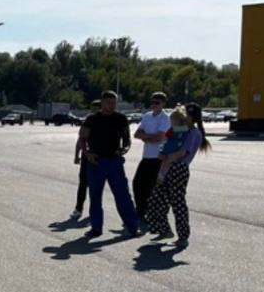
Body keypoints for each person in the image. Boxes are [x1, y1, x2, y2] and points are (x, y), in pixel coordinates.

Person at [76, 90, 142, 238]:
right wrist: (87, 154)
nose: (111, 106)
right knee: (95, 196)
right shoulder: (92, 119)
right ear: (102, 103)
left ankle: (133, 226)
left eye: (114, 103)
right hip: (96, 162)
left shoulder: (120, 119)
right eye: (109, 103)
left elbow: (126, 140)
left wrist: (123, 150)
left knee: (123, 195)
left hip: (114, 161)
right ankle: (96, 228)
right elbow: (82, 139)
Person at [144, 102, 210, 247]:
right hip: (166, 167)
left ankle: (183, 236)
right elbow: (168, 140)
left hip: (179, 168)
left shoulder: (194, 133)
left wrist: (166, 157)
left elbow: (181, 153)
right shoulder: (180, 130)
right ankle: (164, 229)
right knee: (156, 200)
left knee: (177, 204)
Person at [131, 91, 170, 220]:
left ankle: (153, 213)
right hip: (146, 156)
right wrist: (149, 137)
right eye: (152, 102)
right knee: (137, 183)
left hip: (159, 157)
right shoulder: (147, 116)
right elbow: (137, 133)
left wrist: (146, 137)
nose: (154, 105)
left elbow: (160, 137)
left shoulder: (166, 118)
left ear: (163, 103)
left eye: (157, 102)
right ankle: (140, 210)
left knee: (153, 187)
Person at [72, 99, 103, 217]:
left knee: (96, 185)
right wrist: (76, 155)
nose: (94, 111)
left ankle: (94, 209)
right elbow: (80, 139)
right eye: (93, 108)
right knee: (83, 183)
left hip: (99, 157)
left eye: (97, 108)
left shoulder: (104, 122)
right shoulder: (88, 121)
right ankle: (78, 208)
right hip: (87, 156)